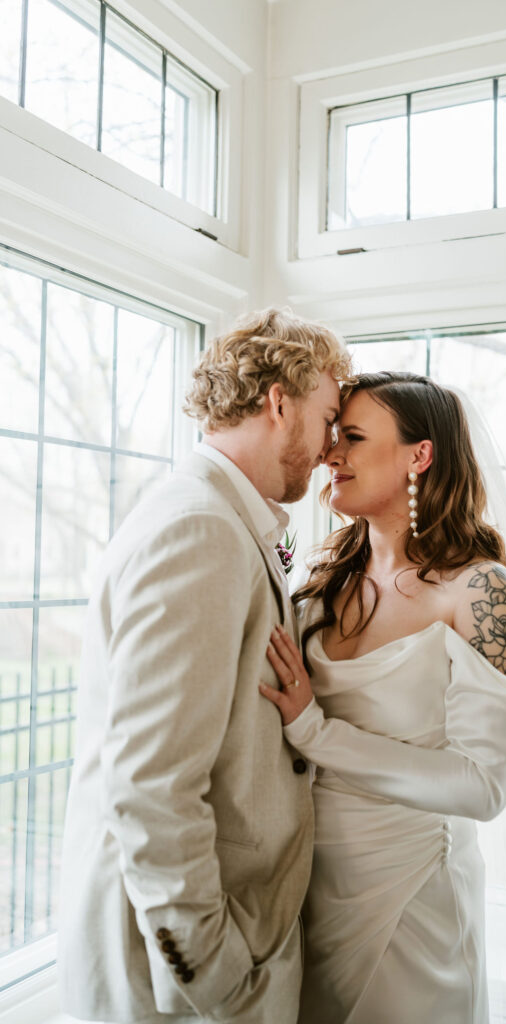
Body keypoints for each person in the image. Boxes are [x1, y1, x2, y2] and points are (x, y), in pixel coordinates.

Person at [58, 308, 352, 1024]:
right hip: (186, 977)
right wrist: (214, 972)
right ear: (280, 403)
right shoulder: (200, 528)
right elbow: (151, 782)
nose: (330, 446)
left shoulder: (215, 514)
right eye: (328, 417)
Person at [259, 371, 506, 1024]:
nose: (331, 454)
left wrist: (315, 731)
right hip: (301, 887)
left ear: (419, 455)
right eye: (333, 436)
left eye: (355, 438)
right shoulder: (318, 577)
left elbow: (483, 789)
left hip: (409, 897)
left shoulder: (479, 593)